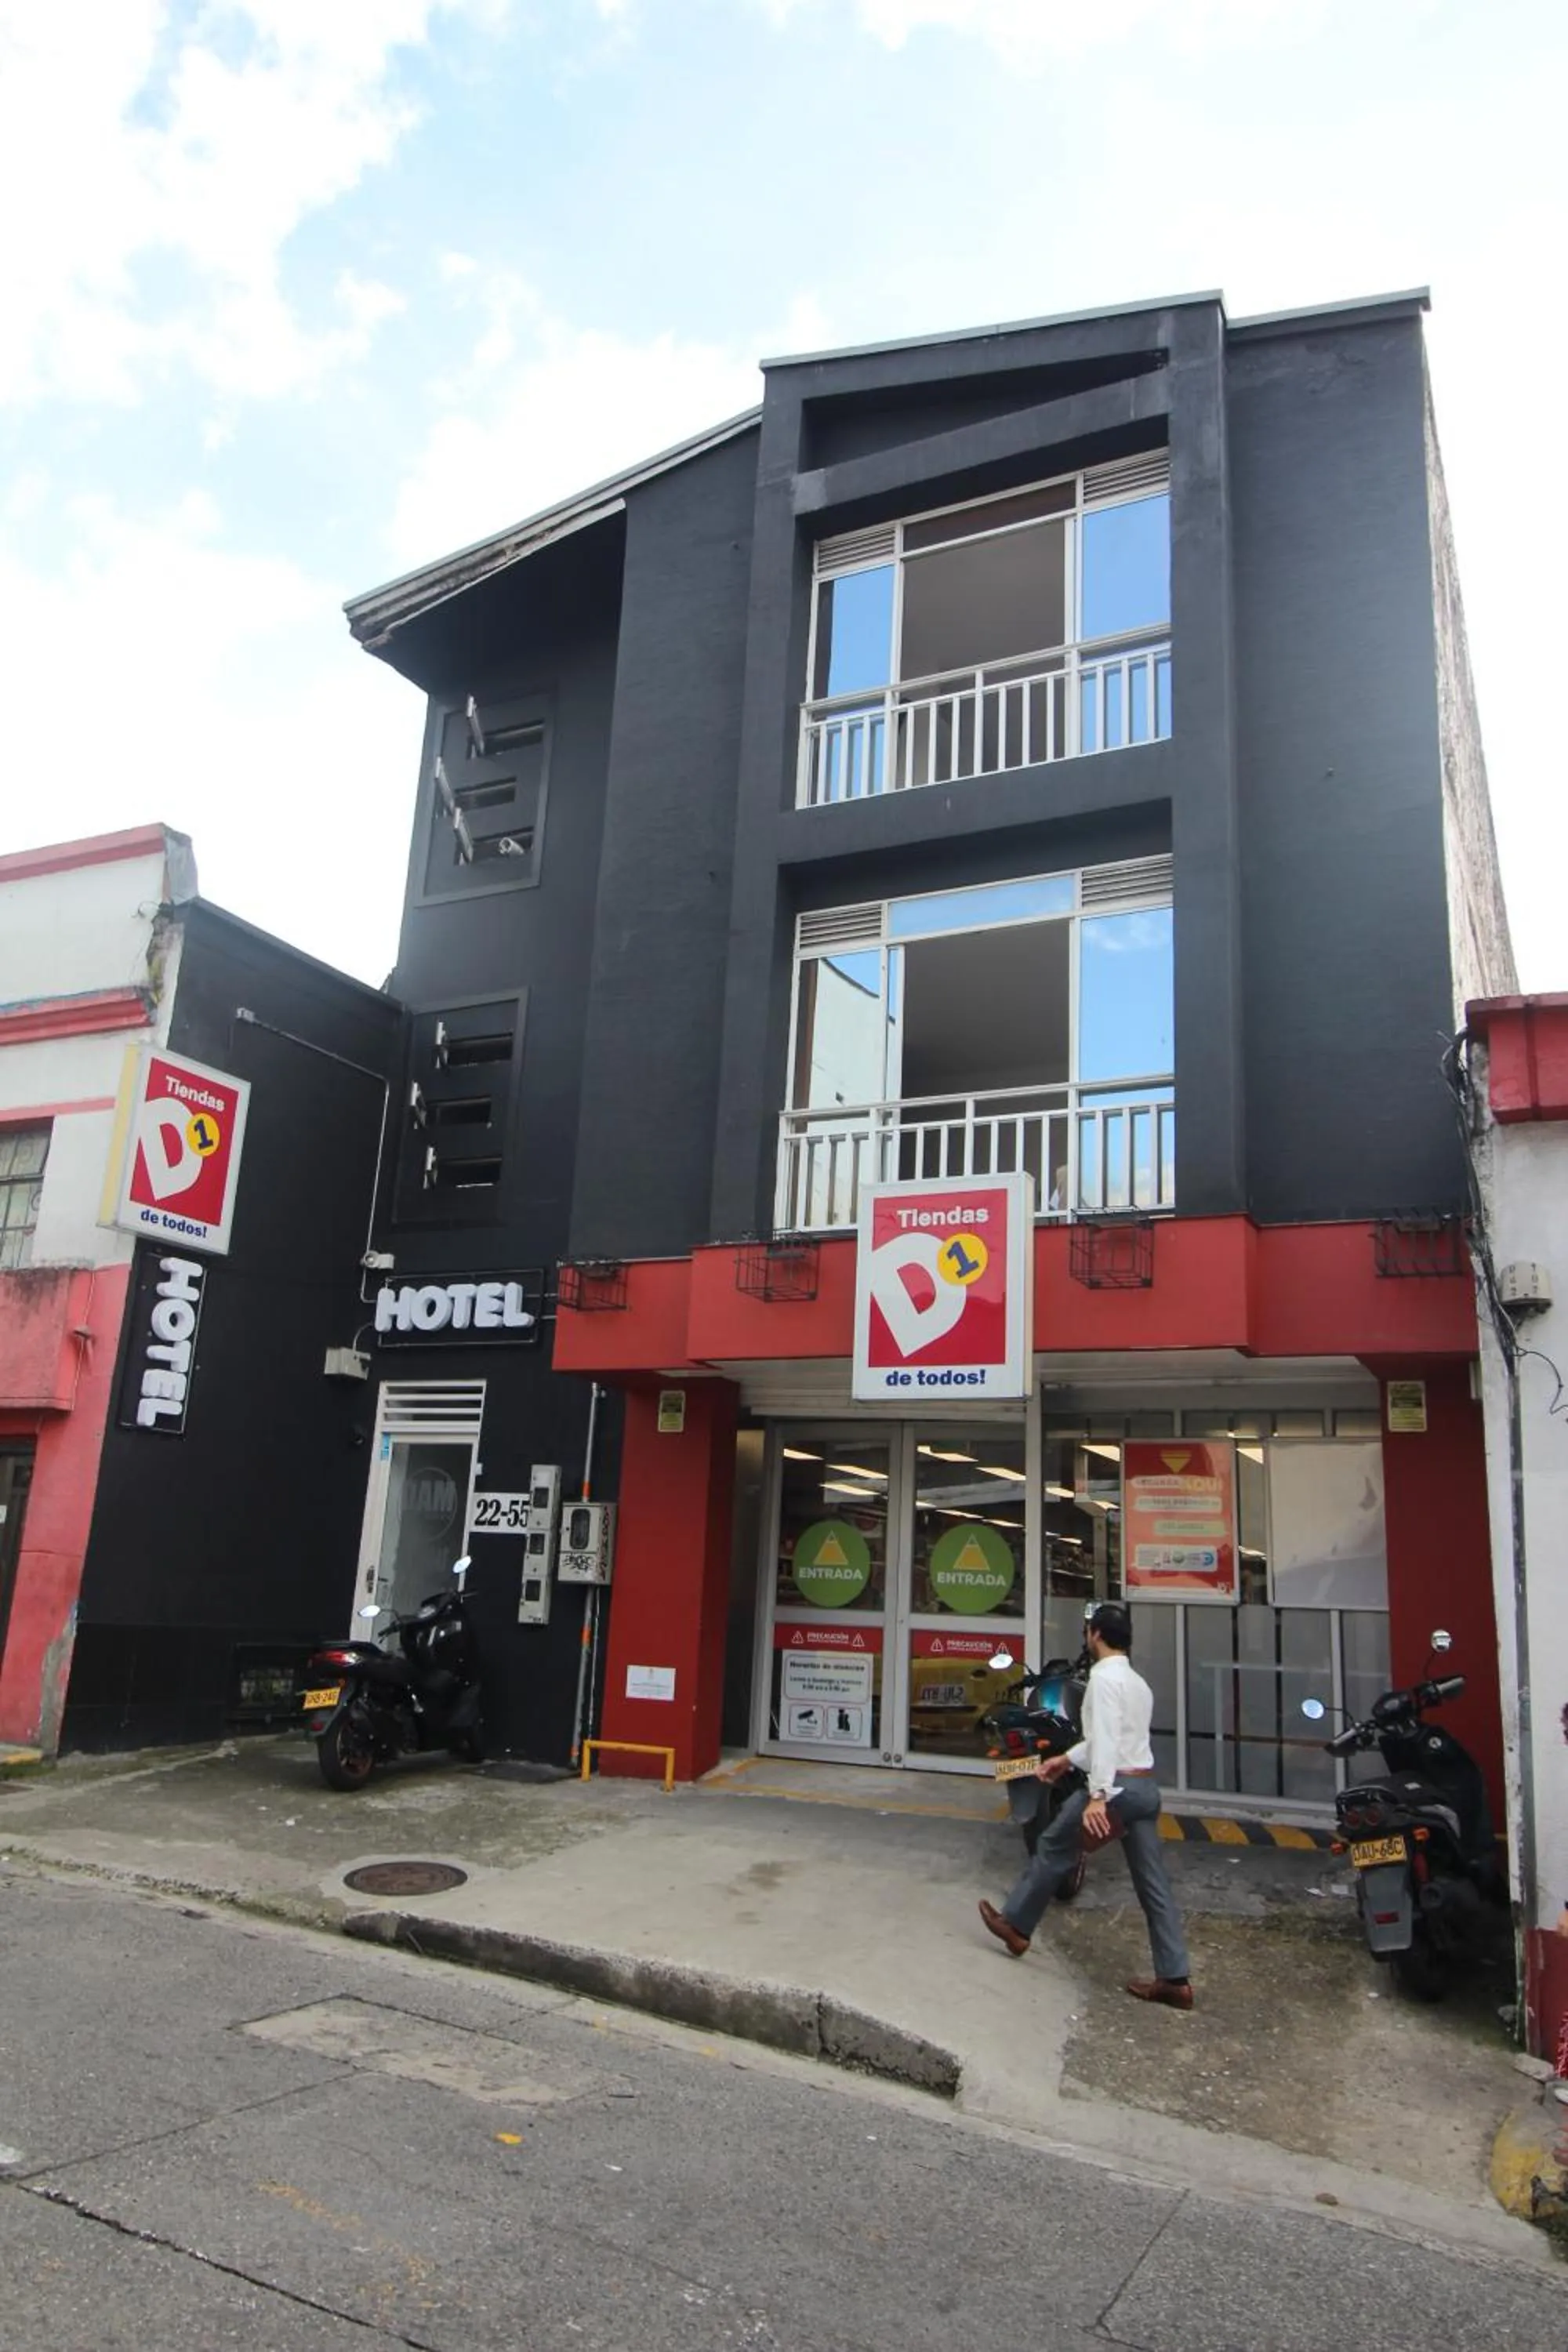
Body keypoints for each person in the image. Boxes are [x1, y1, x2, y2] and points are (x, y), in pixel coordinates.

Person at [977, 1600, 1194, 2009]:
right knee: (1154, 1885)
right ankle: (1175, 1978)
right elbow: (1110, 1740)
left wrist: (1098, 1797)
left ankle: (1016, 1926)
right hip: (1144, 1789)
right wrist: (1065, 1760)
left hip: (1117, 1790)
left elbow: (1107, 1741)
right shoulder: (1138, 1684)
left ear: (1095, 1635)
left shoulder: (1103, 1680)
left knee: (1053, 1844)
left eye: (1088, 1630)